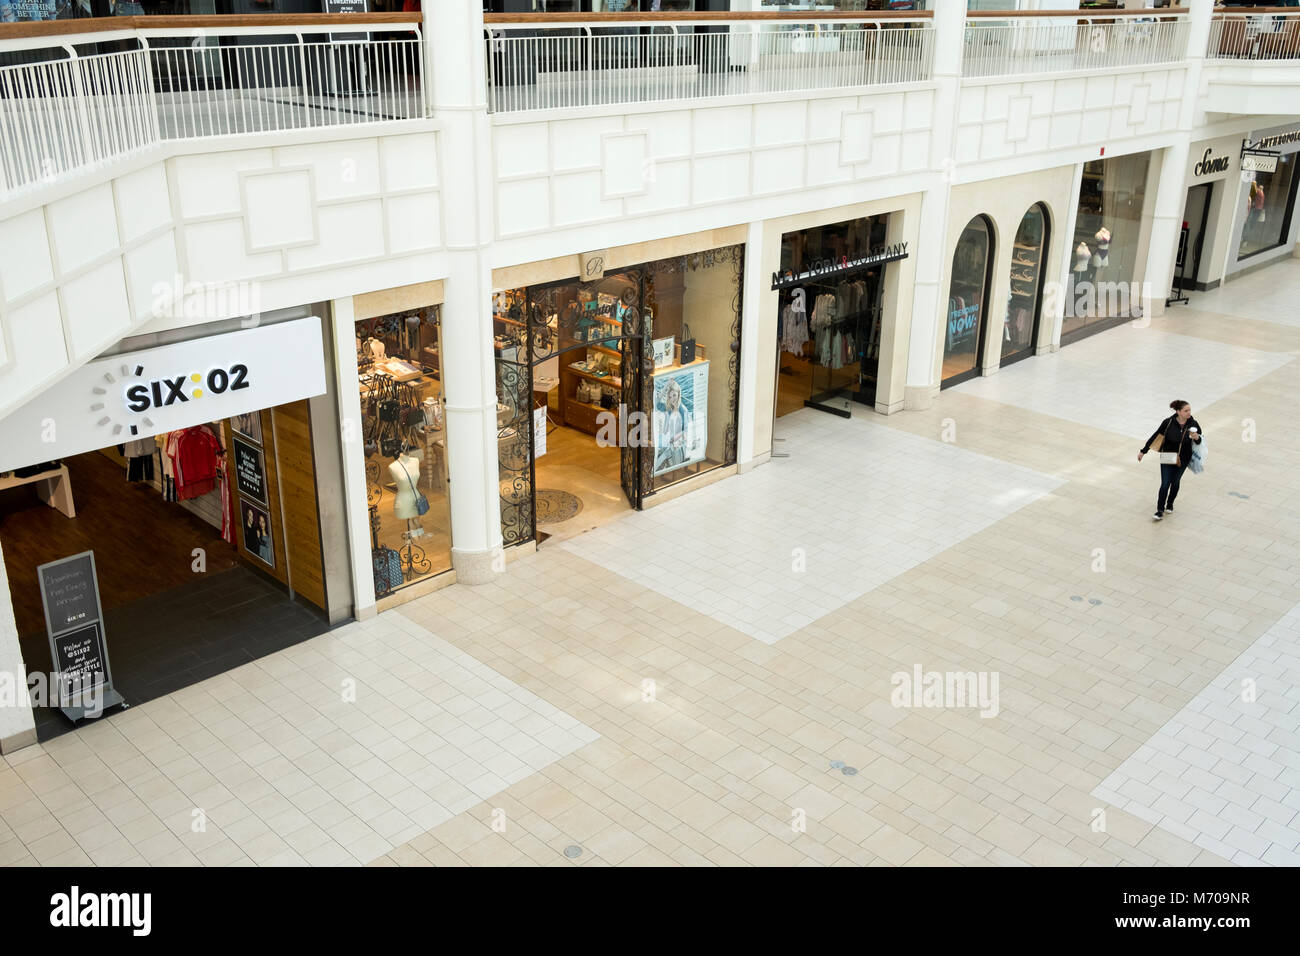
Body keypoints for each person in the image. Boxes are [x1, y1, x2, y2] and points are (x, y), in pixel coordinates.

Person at [1138, 400, 1203, 520]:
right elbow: (1156, 436)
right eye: (1186, 411)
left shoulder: (1193, 424)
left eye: (1189, 410)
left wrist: (1196, 437)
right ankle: (1159, 510)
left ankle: (1170, 503)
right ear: (1178, 411)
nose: (1189, 413)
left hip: (1183, 458)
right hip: (1168, 456)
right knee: (1165, 484)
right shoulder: (1168, 423)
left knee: (1175, 482)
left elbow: (1200, 441)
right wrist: (1143, 451)